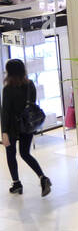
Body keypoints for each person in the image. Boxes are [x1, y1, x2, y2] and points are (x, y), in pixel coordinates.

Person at [2, 59, 51, 196]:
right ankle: (43, 177)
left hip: (12, 126)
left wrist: (4, 131)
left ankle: (17, 183)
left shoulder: (8, 89)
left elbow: (5, 111)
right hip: (27, 124)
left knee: (11, 154)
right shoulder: (30, 84)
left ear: (9, 72)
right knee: (25, 153)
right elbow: (32, 103)